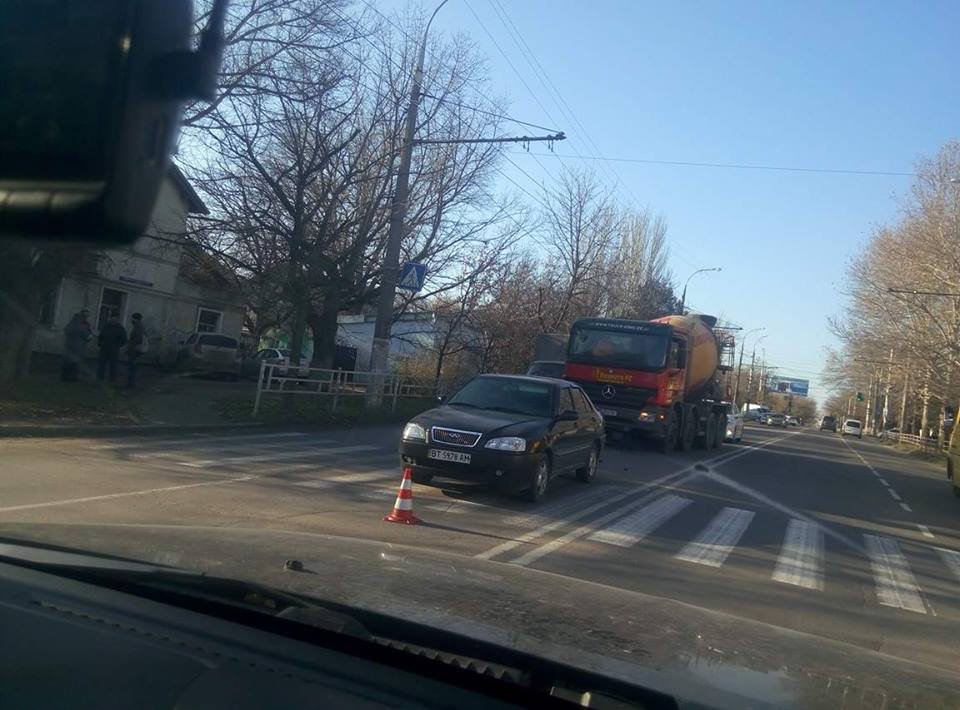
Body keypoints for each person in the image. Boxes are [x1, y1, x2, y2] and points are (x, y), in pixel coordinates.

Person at [61, 309, 92, 382]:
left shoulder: (83, 324)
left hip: (76, 346)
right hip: (74, 346)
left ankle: (69, 378)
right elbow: (87, 335)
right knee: (71, 363)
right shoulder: (79, 324)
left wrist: (88, 336)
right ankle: (69, 378)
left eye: (87, 316)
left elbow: (88, 335)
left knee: (72, 363)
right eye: (85, 316)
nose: (86, 317)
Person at [97, 315, 127, 382]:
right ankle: (100, 377)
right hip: (104, 348)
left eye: (114, 320)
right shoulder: (106, 327)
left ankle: (112, 378)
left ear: (117, 320)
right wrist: (100, 344)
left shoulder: (120, 328)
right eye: (112, 320)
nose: (113, 321)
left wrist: (117, 345)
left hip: (114, 350)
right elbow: (100, 336)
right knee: (102, 364)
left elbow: (124, 339)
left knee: (113, 365)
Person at [126, 312, 146, 388]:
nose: (131, 319)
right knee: (132, 366)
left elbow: (136, 339)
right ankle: (131, 383)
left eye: (132, 318)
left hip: (135, 349)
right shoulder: (139, 326)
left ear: (135, 319)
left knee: (132, 366)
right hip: (135, 349)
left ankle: (131, 383)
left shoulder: (138, 327)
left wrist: (130, 348)